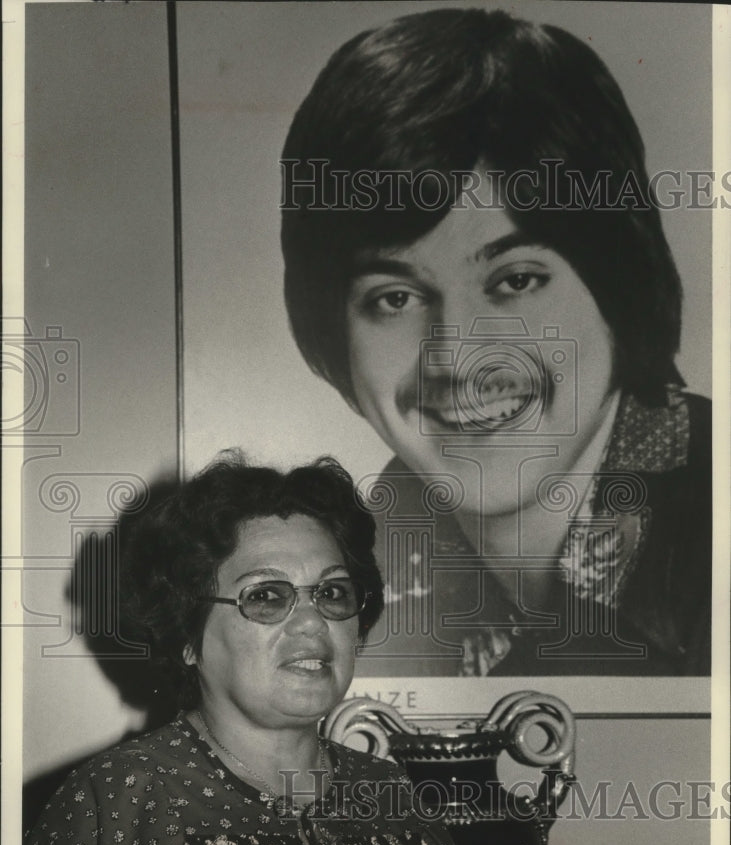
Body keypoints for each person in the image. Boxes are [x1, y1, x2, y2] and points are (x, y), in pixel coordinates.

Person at [280, 6, 711, 677]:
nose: (455, 357)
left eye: (514, 280)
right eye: (393, 298)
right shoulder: (366, 555)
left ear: (618, 281)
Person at [20, 454, 488, 845]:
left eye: (333, 593)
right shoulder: (120, 802)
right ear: (187, 637)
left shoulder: (389, 793)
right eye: (266, 597)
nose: (313, 621)